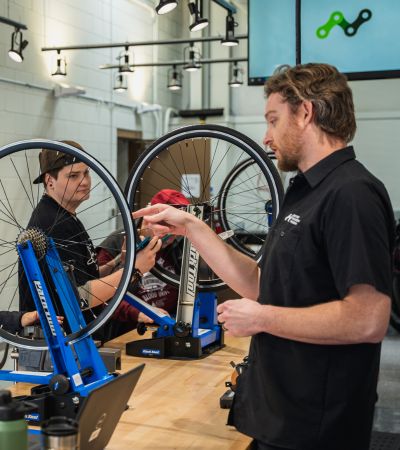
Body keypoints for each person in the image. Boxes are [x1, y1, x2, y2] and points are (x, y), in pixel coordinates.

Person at [133, 63, 394, 450]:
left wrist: (263, 318)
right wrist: (189, 226)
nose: (267, 137)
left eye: (273, 120)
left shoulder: (351, 195)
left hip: (316, 427)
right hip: (281, 416)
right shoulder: (305, 191)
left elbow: (368, 319)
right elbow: (259, 283)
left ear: (306, 112)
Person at [19, 141, 161, 340]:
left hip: (73, 337)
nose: (84, 181)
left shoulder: (65, 216)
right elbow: (77, 298)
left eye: (86, 173)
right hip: (58, 344)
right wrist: (134, 270)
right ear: (50, 181)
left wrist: (119, 262)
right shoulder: (53, 223)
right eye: (73, 176)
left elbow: (82, 276)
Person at [96, 188, 189, 339]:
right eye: (168, 226)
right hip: (125, 333)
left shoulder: (177, 244)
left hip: (168, 328)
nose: (172, 234)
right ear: (150, 217)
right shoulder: (116, 242)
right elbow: (98, 296)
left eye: (178, 227)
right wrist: (138, 313)